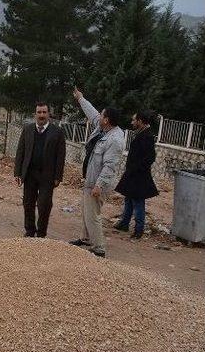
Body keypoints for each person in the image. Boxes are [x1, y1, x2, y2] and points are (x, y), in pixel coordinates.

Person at [69, 87, 124, 258]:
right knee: (87, 210)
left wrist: (99, 185)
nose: (98, 116)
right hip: (90, 179)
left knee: (93, 214)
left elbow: (110, 166)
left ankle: (99, 247)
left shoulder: (115, 139)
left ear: (106, 120)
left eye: (102, 115)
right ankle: (86, 238)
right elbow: (91, 114)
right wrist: (80, 99)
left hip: (98, 183)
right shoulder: (102, 129)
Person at [14, 102, 66, 238]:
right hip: (30, 173)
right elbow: (20, 151)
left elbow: (61, 156)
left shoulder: (57, 132)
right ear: (35, 114)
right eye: (39, 112)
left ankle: (41, 233)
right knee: (28, 203)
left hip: (47, 176)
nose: (41, 115)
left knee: (44, 205)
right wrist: (18, 172)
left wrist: (58, 177)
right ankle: (30, 231)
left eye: (44, 112)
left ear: (49, 114)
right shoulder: (27, 129)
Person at [113, 110, 159, 239]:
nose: (132, 122)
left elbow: (150, 158)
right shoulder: (141, 134)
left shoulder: (147, 136)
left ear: (140, 121)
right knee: (128, 198)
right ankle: (124, 223)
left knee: (138, 202)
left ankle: (139, 229)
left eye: (134, 120)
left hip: (139, 175)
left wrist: (136, 169)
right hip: (133, 173)